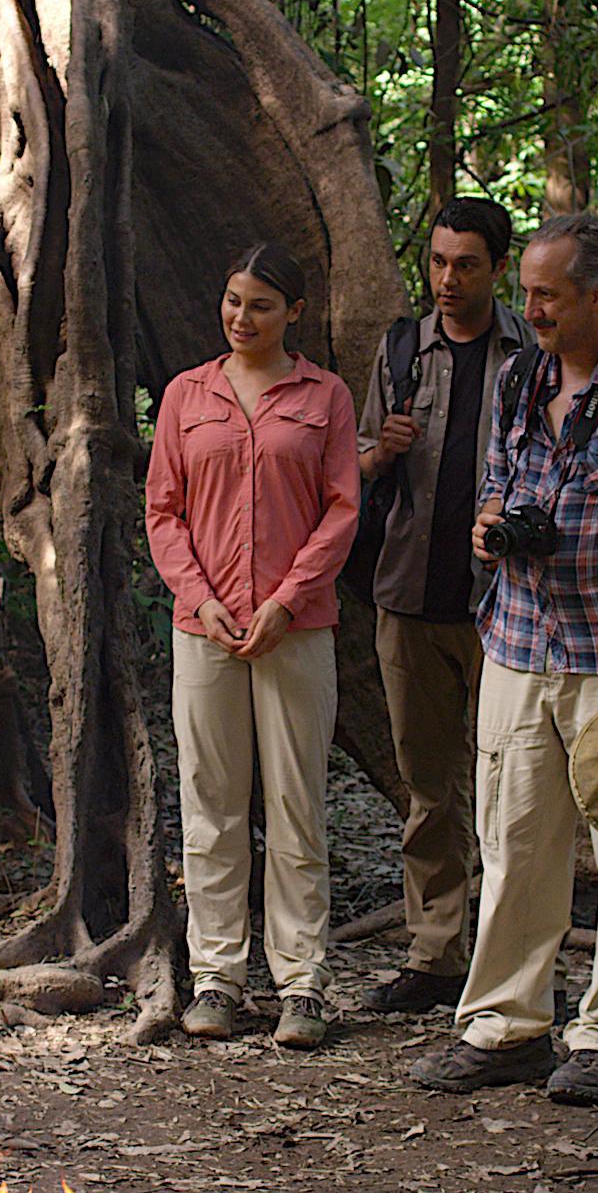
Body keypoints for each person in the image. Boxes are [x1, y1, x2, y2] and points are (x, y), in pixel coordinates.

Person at [403, 212, 598, 1103]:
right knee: (511, 839)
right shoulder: (519, 377)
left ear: (597, 295)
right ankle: (506, 1023)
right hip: (516, 636)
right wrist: (488, 522)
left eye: (547, 294)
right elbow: (498, 478)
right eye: (528, 293)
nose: (532, 308)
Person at [146, 242, 359, 1051]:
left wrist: (284, 599)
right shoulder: (185, 395)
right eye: (233, 300)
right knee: (211, 805)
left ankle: (302, 983)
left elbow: (341, 508)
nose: (242, 317)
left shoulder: (324, 397)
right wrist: (199, 597)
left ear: (294, 313)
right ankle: (217, 978)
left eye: (261, 305)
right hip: (203, 632)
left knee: (297, 803)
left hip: (293, 629)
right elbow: (163, 510)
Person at [353, 196, 536, 1015]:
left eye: (465, 264)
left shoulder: (528, 355)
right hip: (407, 597)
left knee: (508, 786)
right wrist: (376, 454)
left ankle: (507, 955)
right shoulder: (400, 351)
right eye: (436, 262)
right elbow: (355, 467)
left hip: (509, 607)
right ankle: (435, 952)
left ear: (496, 267)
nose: (447, 279)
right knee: (428, 787)